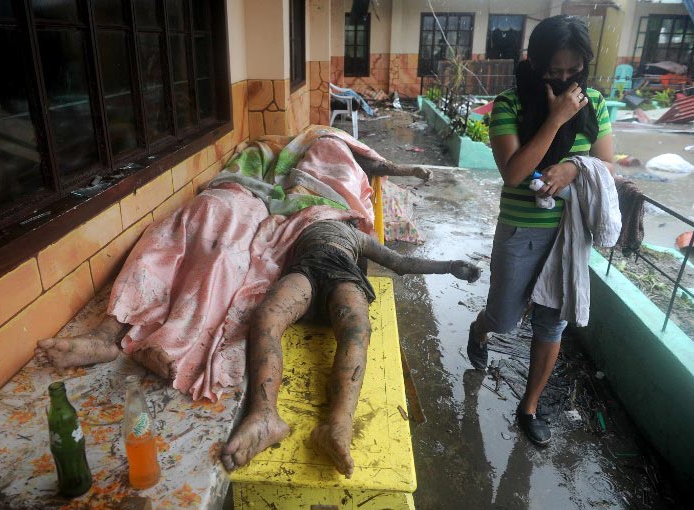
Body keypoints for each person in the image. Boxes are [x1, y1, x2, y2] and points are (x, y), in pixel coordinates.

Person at [220, 219, 480, 477]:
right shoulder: (306, 221)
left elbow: (401, 264)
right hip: (307, 268)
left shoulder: (357, 236)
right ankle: (264, 415)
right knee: (267, 317)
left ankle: (338, 424)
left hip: (341, 270)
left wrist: (449, 266)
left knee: (357, 330)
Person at [465, 15, 614, 446]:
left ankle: (528, 406)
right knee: (505, 318)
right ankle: (481, 328)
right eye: (555, 70)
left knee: (552, 325)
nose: (566, 80)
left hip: (570, 235)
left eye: (573, 71)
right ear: (535, 62)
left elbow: (608, 167)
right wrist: (555, 118)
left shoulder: (596, 105)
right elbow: (514, 173)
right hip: (521, 231)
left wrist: (573, 167)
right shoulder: (509, 103)